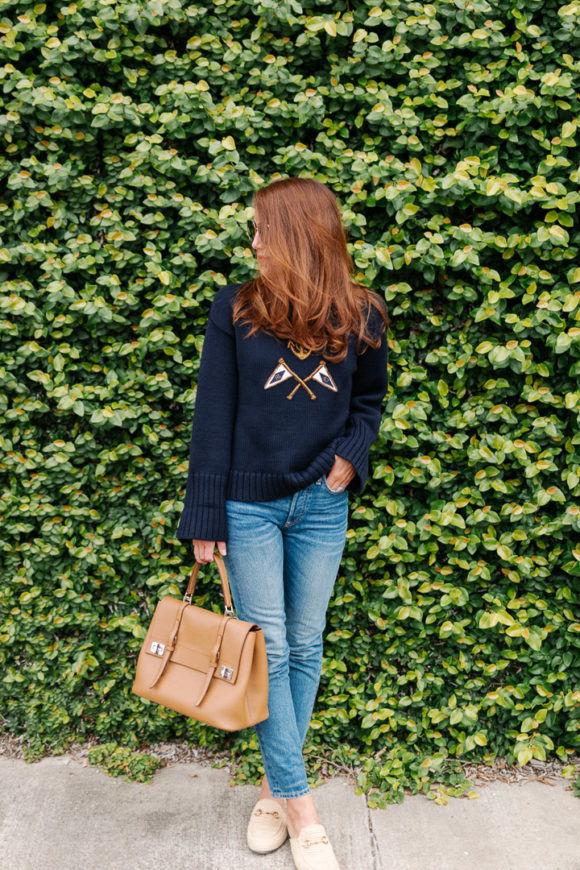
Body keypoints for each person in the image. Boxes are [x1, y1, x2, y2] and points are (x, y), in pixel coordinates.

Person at [176, 176, 388, 870]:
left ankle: (271, 790)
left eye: (264, 230)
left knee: (305, 645)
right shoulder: (234, 310)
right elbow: (214, 419)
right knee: (268, 652)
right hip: (249, 505)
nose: (255, 242)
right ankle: (303, 813)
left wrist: (348, 461)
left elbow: (370, 401)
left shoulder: (362, 314)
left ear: (297, 236)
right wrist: (204, 514)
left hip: (322, 503)